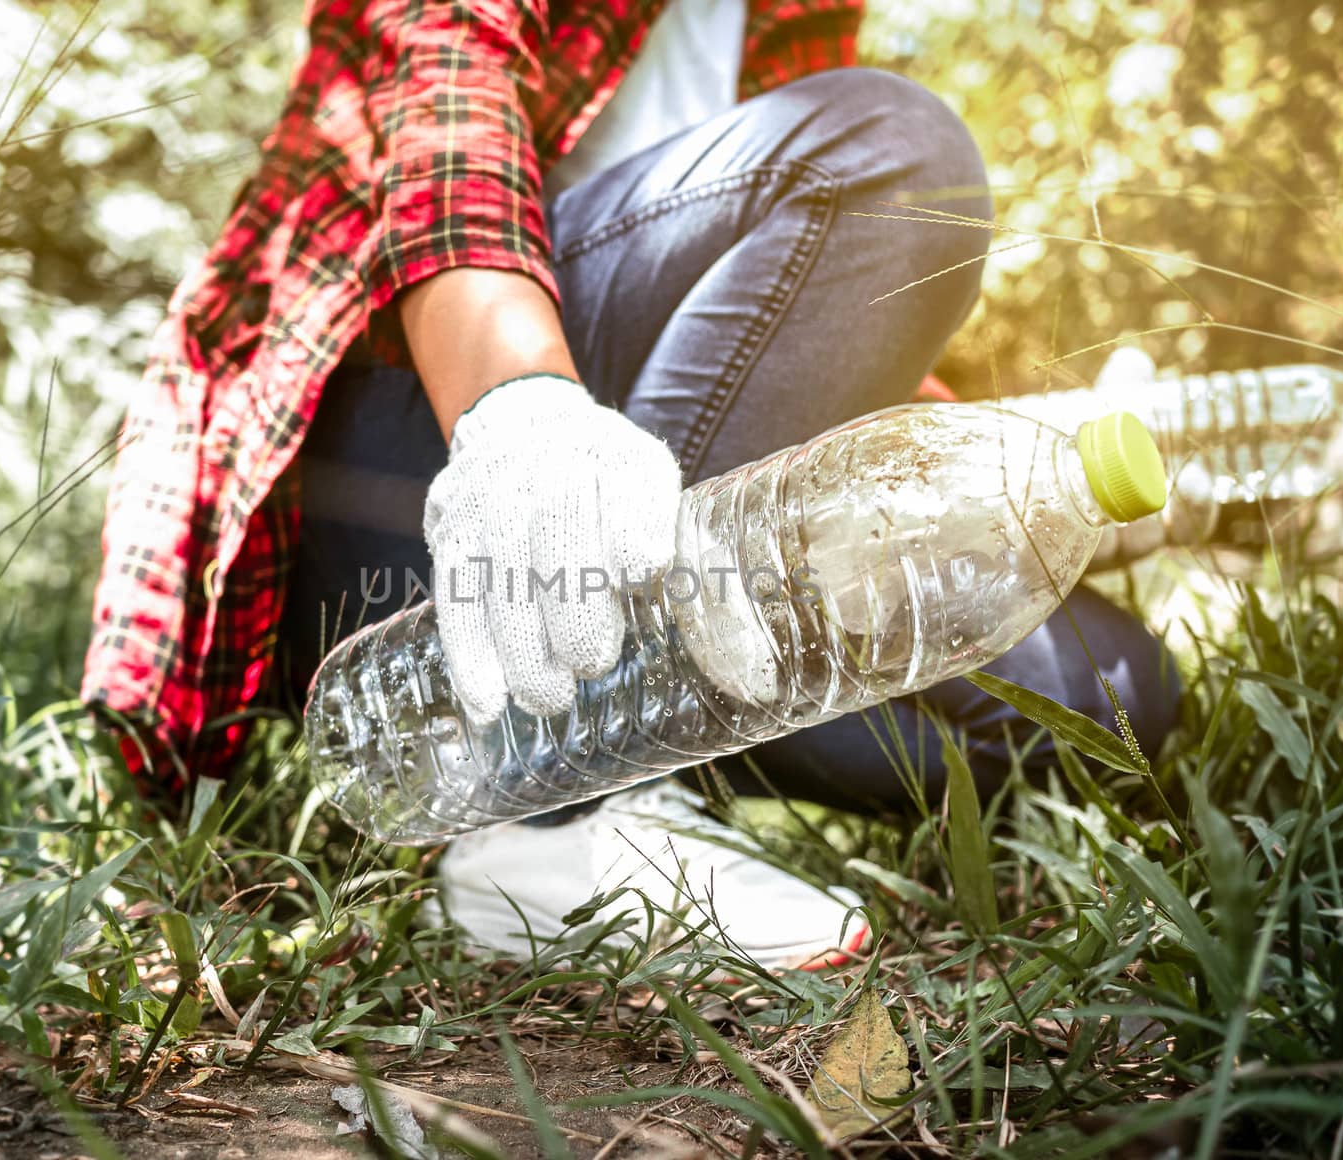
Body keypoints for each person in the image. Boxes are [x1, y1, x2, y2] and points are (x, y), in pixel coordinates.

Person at [84, 0, 1180, 968]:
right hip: (395, 467)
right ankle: (549, 828)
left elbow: (784, 336)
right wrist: (520, 412)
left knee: (1111, 690)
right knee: (899, 155)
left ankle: (631, 743)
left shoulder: (791, 14)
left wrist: (1021, 469)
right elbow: (438, 94)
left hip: (638, 519)